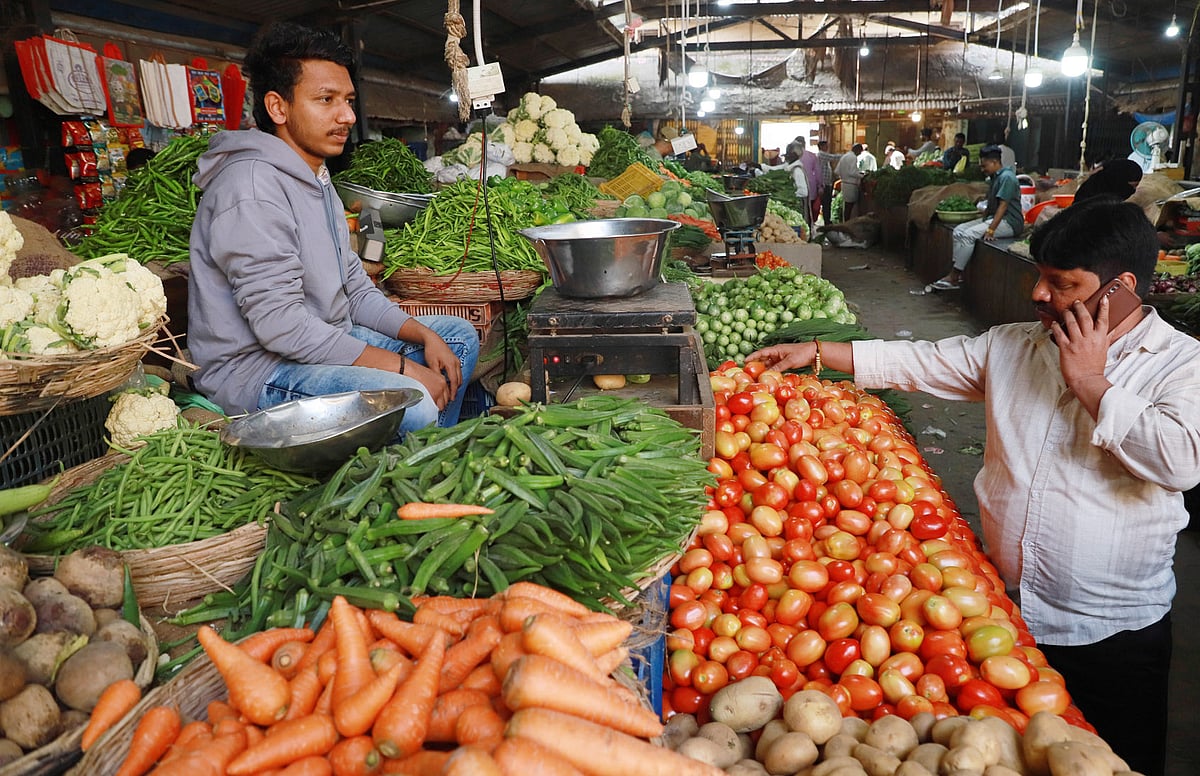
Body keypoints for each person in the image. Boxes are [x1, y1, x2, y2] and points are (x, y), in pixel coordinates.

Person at [748, 197, 1200, 776]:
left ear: (1121, 288)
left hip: (1111, 631)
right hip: (1003, 615)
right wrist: (816, 351)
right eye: (1040, 277)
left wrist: (1089, 380)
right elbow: (922, 361)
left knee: (1117, 758)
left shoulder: (1179, 365)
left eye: (1062, 284)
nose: (1039, 294)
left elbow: (1180, 460)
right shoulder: (1015, 346)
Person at [187, 21, 480, 433]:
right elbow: (282, 326)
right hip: (258, 372)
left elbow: (355, 288)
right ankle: (408, 460)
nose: (346, 116)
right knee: (411, 403)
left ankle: (424, 453)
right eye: (326, 100)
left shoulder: (317, 176)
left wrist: (422, 335)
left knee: (455, 339)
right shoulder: (250, 187)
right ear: (278, 107)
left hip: (319, 345)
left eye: (347, 100)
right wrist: (402, 369)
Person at [930, 145, 1023, 290]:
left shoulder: (1007, 178)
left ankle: (954, 275)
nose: (982, 169)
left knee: (969, 235)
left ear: (994, 162)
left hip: (1009, 222)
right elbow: (991, 204)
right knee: (959, 230)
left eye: (984, 166)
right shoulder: (994, 177)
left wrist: (991, 230)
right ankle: (958, 270)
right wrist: (983, 220)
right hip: (994, 218)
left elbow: (1003, 206)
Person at [834, 143, 864, 221]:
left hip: (844, 184)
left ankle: (845, 222)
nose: (860, 154)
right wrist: (862, 176)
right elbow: (852, 172)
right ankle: (848, 224)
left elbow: (837, 171)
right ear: (857, 150)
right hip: (851, 185)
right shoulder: (853, 157)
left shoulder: (845, 156)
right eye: (860, 152)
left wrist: (844, 175)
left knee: (846, 206)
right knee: (850, 208)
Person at [815, 140, 840, 226]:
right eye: (826, 146)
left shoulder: (823, 155)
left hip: (827, 184)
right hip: (824, 185)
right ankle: (827, 221)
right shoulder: (822, 154)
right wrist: (847, 155)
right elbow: (834, 157)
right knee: (826, 203)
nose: (827, 147)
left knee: (827, 203)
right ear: (821, 147)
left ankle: (827, 220)